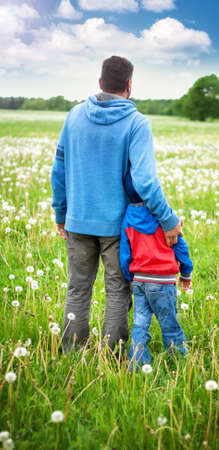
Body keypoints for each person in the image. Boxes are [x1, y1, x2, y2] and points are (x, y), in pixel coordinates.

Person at [51, 55, 183, 352]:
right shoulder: (137, 123)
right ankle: (113, 356)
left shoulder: (73, 116)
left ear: (100, 82)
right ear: (129, 86)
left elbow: (58, 169)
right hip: (117, 227)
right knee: (117, 290)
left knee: (77, 288)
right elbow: (146, 181)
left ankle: (72, 353)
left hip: (78, 221)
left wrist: (61, 211)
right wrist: (168, 218)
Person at [120, 173, 193, 370]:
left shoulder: (128, 218)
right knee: (169, 323)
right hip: (163, 281)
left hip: (140, 281)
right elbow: (181, 248)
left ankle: (136, 364)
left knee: (140, 326)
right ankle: (180, 361)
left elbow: (125, 254)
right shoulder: (164, 215)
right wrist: (186, 272)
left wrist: (130, 276)